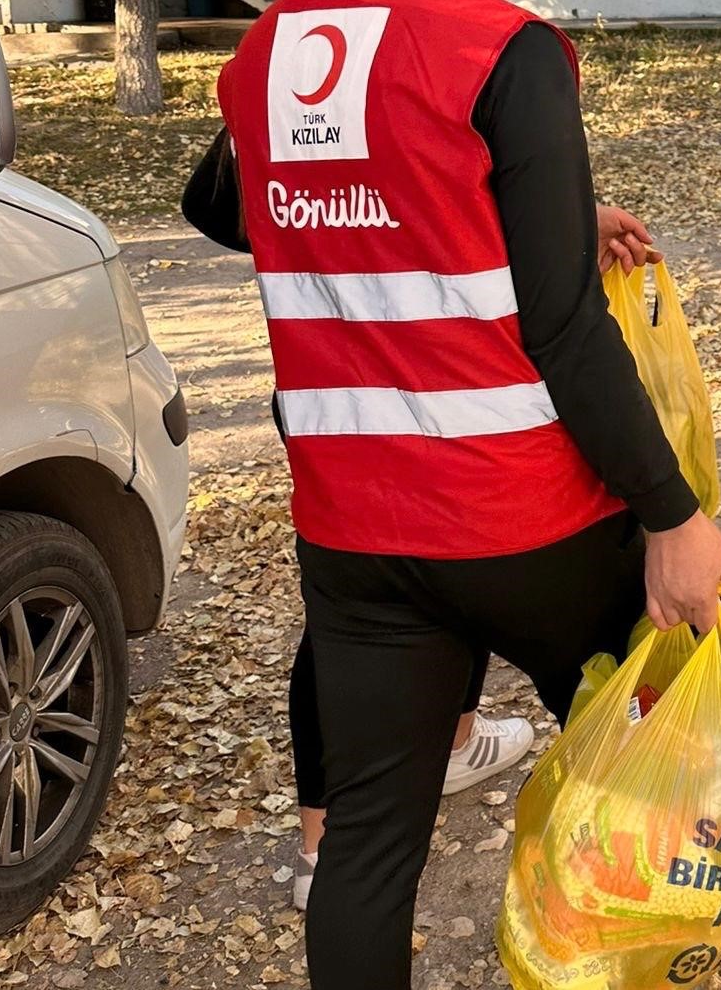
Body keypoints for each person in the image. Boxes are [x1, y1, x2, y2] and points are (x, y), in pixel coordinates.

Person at [211, 0, 721, 985]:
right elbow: (563, 325)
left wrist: (505, 209)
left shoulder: (267, 56)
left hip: (354, 539)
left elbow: (222, 200)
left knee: (371, 848)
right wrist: (670, 512)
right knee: (637, 775)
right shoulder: (504, 47)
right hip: (528, 526)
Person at [182, 129, 666, 912]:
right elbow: (218, 201)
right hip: (414, 382)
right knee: (417, 576)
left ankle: (395, 786)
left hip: (342, 383)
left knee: (390, 582)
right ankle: (338, 836)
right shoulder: (443, 40)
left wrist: (566, 220)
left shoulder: (314, 45)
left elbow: (424, 190)